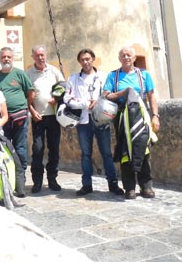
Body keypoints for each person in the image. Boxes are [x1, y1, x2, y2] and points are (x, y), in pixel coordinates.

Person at [63, 48, 124, 196]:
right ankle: (87, 185)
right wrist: (84, 104)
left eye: (88, 59)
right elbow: (67, 98)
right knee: (85, 154)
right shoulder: (73, 79)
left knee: (106, 153)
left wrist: (97, 102)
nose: (86, 62)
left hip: (101, 119)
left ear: (93, 59)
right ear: (79, 61)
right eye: (83, 59)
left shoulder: (103, 77)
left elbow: (109, 94)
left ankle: (113, 184)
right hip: (83, 121)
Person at [103, 46, 160, 200]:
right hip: (122, 117)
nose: (126, 57)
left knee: (143, 150)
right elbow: (106, 95)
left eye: (129, 55)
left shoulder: (144, 75)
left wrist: (155, 115)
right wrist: (124, 92)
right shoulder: (113, 76)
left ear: (134, 58)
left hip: (140, 116)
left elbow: (151, 96)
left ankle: (146, 186)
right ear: (119, 59)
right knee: (125, 151)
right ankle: (129, 188)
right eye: (123, 55)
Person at [26, 45, 65, 193]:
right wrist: (32, 111)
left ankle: (52, 179)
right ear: (33, 57)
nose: (40, 57)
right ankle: (37, 182)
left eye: (42, 55)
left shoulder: (54, 71)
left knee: (54, 149)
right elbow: (26, 96)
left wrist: (56, 98)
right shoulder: (28, 73)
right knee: (37, 150)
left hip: (54, 117)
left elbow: (63, 87)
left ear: (45, 55)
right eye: (37, 55)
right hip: (38, 117)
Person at [0, 47, 34, 178]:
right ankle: (8, 177)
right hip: (2, 118)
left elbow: (30, 92)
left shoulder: (20, 74)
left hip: (19, 117)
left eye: (8, 57)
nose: (6, 59)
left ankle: (21, 177)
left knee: (20, 147)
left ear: (12, 58)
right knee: (4, 148)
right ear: (0, 59)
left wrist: (25, 107)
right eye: (3, 57)